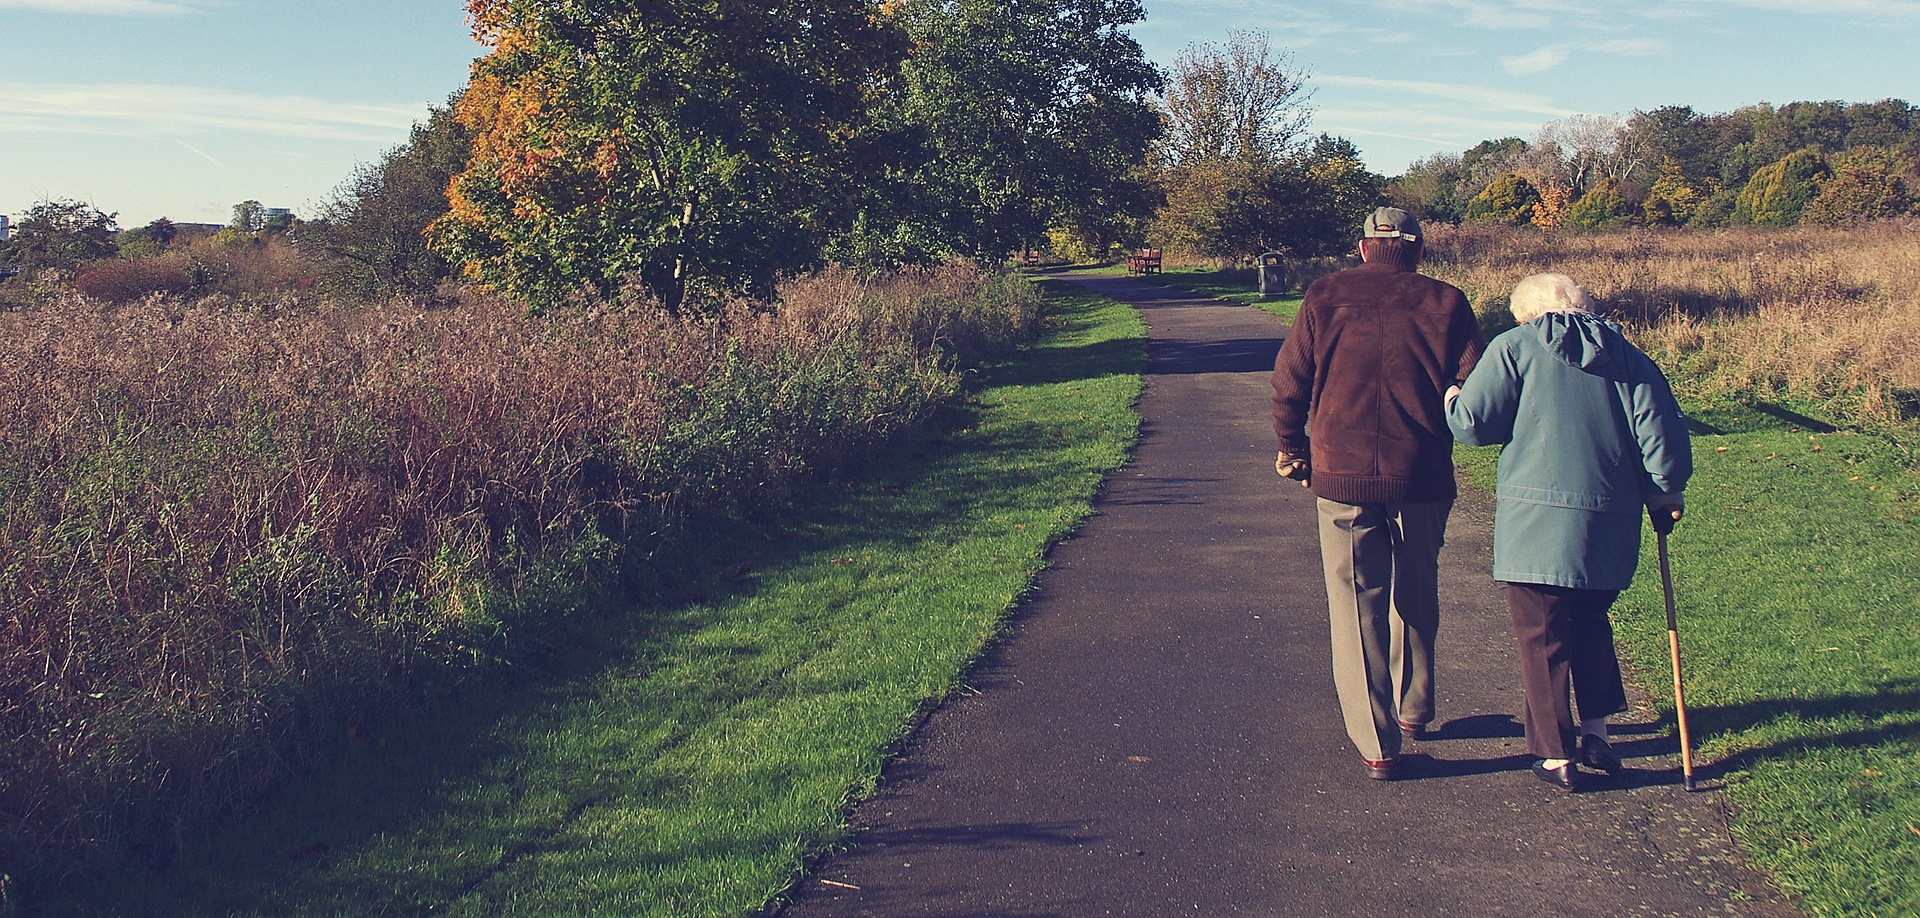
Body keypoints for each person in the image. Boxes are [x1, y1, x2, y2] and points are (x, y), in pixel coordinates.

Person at [1443, 273, 1691, 792]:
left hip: (1536, 521)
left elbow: (1473, 424)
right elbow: (1660, 437)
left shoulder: (1514, 347)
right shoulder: (1628, 355)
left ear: (1526, 315)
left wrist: (1451, 396)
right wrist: (1666, 491)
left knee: (1542, 634)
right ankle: (1597, 731)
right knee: (1591, 620)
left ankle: (1555, 754)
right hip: (1610, 521)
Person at [1270, 206, 1486, 780]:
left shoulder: (1324, 295)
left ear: (1364, 248)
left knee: (1355, 603)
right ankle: (1414, 707)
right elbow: (1473, 388)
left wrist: (1293, 448)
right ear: (1419, 249)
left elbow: (1289, 379)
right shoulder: (1448, 302)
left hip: (1341, 472)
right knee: (1417, 587)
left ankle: (1378, 743)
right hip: (1422, 471)